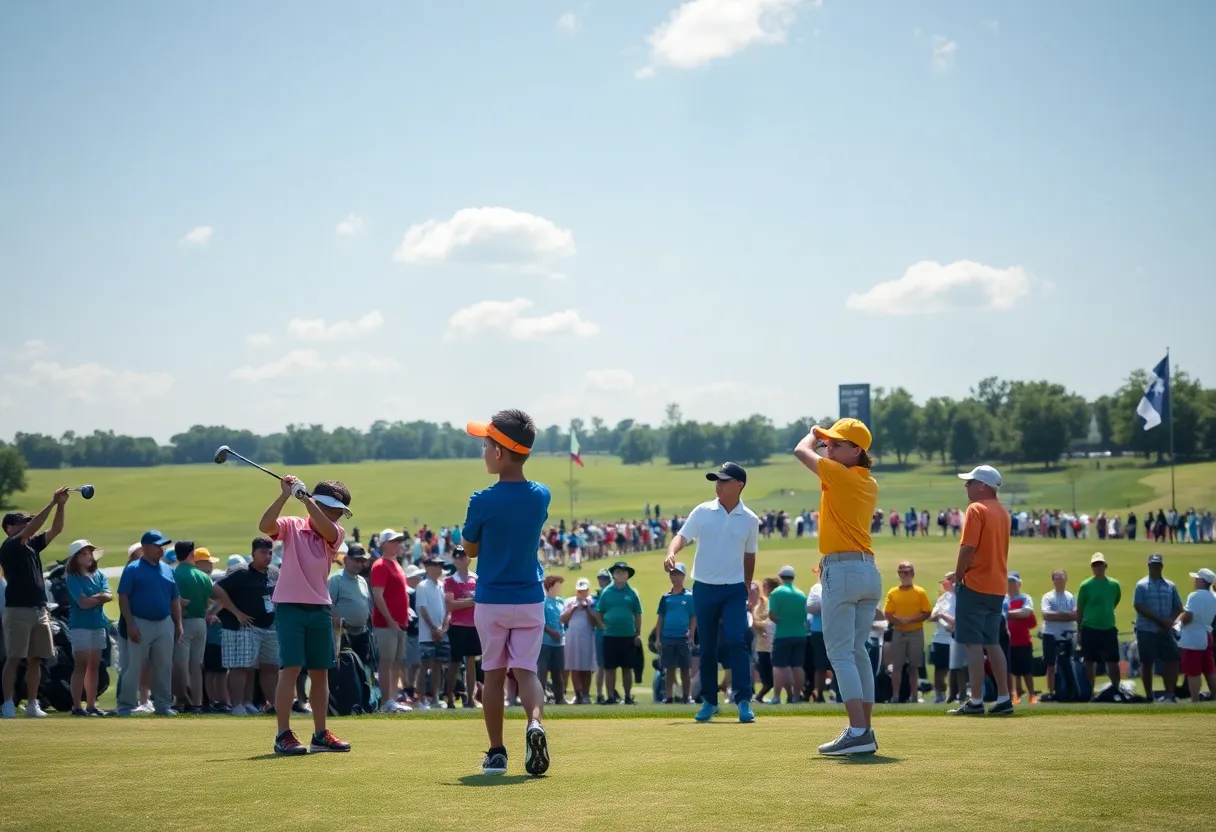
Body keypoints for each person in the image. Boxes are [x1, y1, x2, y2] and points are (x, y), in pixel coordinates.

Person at [462, 410, 552, 777]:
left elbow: (470, 549)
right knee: (527, 672)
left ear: (499, 452)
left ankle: (497, 752)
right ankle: (534, 723)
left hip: (492, 600)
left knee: (494, 676)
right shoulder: (540, 496)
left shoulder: (482, 499)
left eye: (485, 445)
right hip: (530, 598)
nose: (483, 451)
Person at [793, 419, 879, 755]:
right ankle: (864, 729)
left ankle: (858, 731)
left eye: (837, 443)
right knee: (857, 653)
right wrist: (824, 438)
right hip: (867, 570)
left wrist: (813, 432)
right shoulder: (867, 482)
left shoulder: (839, 473)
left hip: (842, 572)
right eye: (828, 442)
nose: (829, 447)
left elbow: (800, 450)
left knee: (841, 653)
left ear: (856, 450)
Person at [259, 475, 353, 755]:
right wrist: (286, 495)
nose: (338, 516)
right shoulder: (292, 525)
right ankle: (283, 734)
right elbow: (265, 526)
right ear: (323, 505)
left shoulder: (334, 531)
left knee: (320, 672)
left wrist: (305, 499)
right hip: (289, 606)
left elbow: (326, 527)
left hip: (320, 607)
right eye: (335, 509)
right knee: (290, 669)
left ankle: (320, 734)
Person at [664, 462, 759, 724]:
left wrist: (747, 585)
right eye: (716, 480)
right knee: (706, 647)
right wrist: (672, 552)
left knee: (737, 640)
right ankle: (709, 701)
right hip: (704, 588)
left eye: (724, 481)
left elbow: (750, 555)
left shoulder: (750, 519)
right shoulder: (703, 511)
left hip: (734, 589)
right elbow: (682, 537)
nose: (718, 484)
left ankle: (742, 700)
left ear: (739, 485)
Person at [947, 465, 1014, 716]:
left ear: (983, 486)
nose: (967, 486)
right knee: (992, 642)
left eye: (970, 482)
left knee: (973, 644)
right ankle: (1004, 697)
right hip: (997, 586)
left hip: (975, 585)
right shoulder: (1003, 513)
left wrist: (959, 575)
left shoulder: (976, 509)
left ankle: (975, 700)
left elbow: (968, 548)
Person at [1, 488, 70, 719]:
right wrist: (51, 502)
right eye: (23, 523)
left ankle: (32, 704)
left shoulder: (32, 545)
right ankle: (8, 703)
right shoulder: (10, 545)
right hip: (17, 609)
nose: (28, 526)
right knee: (14, 657)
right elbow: (36, 527)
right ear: (10, 528)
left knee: (36, 658)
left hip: (39, 609)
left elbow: (57, 529)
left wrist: (61, 505)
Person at [116, 530, 183, 717]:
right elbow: (123, 597)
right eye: (157, 546)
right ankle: (125, 705)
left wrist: (178, 624)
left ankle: (162, 705)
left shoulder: (168, 569)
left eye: (162, 546)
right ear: (145, 548)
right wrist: (130, 623)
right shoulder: (133, 569)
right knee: (134, 666)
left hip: (164, 623)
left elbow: (174, 599)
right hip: (140, 622)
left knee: (163, 665)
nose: (161, 549)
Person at [63, 539, 110, 716]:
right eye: (84, 553)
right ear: (75, 558)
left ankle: (91, 705)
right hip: (80, 625)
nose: (89, 556)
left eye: (89, 552)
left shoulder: (98, 574)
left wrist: (94, 599)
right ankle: (77, 706)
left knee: (94, 665)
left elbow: (108, 595)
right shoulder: (72, 578)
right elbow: (82, 603)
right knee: (81, 664)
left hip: (98, 624)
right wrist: (99, 597)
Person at [1132, 553, 1182, 701]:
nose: (1155, 567)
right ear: (1149, 566)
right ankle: (1148, 695)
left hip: (1166, 630)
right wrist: (1160, 620)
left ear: (1161, 566)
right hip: (1146, 630)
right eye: (1153, 565)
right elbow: (1138, 606)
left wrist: (1169, 621)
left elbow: (1178, 607)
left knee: (1173, 659)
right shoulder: (1141, 585)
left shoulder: (1170, 586)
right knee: (1147, 662)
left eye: (1158, 565)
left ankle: (1170, 694)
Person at [370, 531, 411, 713]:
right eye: (394, 541)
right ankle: (386, 701)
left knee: (397, 662)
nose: (398, 544)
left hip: (400, 622)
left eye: (398, 541)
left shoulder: (396, 564)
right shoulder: (380, 565)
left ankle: (392, 700)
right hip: (386, 624)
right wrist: (390, 620)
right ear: (385, 544)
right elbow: (378, 596)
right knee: (387, 662)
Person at [172, 541, 213, 714]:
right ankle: (197, 702)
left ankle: (182, 700)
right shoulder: (203, 576)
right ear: (191, 554)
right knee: (196, 666)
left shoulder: (174, 574)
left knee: (180, 664)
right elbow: (211, 600)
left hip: (182, 622)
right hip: (200, 623)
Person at [595, 561, 643, 704]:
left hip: (628, 635)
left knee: (627, 668)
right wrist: (602, 626)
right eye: (618, 572)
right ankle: (610, 697)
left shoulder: (632, 593)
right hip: (610, 636)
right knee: (610, 668)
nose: (621, 574)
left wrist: (638, 633)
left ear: (628, 575)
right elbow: (599, 612)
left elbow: (638, 614)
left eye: (623, 572)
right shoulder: (607, 592)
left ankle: (627, 696)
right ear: (614, 575)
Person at [883, 561, 931, 703]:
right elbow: (888, 613)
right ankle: (896, 696)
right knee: (897, 666)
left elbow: (927, 612)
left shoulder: (920, 592)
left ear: (912, 573)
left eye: (907, 572)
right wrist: (900, 621)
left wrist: (910, 620)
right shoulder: (893, 592)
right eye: (902, 572)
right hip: (898, 632)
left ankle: (914, 696)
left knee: (914, 666)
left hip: (915, 632)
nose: (905, 575)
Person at [1077, 552, 1122, 693]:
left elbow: (1115, 601)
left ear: (1105, 566)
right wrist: (1079, 630)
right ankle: (1089, 691)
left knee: (1113, 661)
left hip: (1108, 627)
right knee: (1090, 662)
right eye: (1095, 565)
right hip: (1089, 628)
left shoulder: (1114, 585)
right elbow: (1080, 610)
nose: (1097, 568)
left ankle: (1116, 688)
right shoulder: (1085, 586)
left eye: (1100, 565)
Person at [444, 545, 481, 709]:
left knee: (472, 661)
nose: (460, 559)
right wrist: (471, 602)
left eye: (463, 556)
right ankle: (449, 698)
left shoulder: (476, 579)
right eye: (457, 557)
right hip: (458, 626)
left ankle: (471, 698)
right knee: (455, 662)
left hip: (474, 625)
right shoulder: (450, 581)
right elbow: (450, 605)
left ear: (468, 558)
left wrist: (465, 603)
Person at [655, 562, 696, 704]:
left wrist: (691, 632)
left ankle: (687, 697)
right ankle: (669, 697)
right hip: (668, 637)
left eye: (678, 574)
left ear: (683, 576)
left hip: (683, 637)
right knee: (669, 669)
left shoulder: (690, 596)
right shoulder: (665, 597)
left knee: (685, 668)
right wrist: (658, 638)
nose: (675, 577)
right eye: (672, 574)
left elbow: (693, 617)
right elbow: (660, 619)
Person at [768, 565, 808, 704]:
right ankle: (797, 696)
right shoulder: (801, 594)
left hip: (782, 634)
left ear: (780, 576)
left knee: (779, 666)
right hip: (800, 634)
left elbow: (772, 614)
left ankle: (777, 696)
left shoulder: (776, 593)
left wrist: (779, 620)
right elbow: (804, 614)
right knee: (798, 666)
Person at [328, 544, 372, 665]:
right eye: (357, 560)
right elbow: (327, 604)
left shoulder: (362, 581)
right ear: (347, 560)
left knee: (361, 670)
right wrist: (336, 618)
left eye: (362, 561)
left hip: (361, 634)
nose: (360, 564)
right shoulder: (336, 579)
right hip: (343, 635)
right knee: (343, 671)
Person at [1178, 568, 1216, 700]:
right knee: (1209, 669)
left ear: (1201, 581)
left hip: (1193, 637)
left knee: (1193, 671)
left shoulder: (1194, 596)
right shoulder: (1214, 596)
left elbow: (1188, 617)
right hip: (1207, 635)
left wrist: (1178, 624)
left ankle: (1195, 700)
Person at [1039, 570, 1077, 699]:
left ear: (1066, 580)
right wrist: (1065, 615)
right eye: (1056, 578)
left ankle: (1069, 691)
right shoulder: (1048, 597)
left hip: (1067, 635)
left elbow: (1075, 615)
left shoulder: (1071, 597)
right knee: (1050, 665)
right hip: (1050, 634)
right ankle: (1051, 692)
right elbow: (1046, 615)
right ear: (1053, 581)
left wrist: (1058, 615)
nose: (1059, 580)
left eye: (1061, 578)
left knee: (1067, 663)